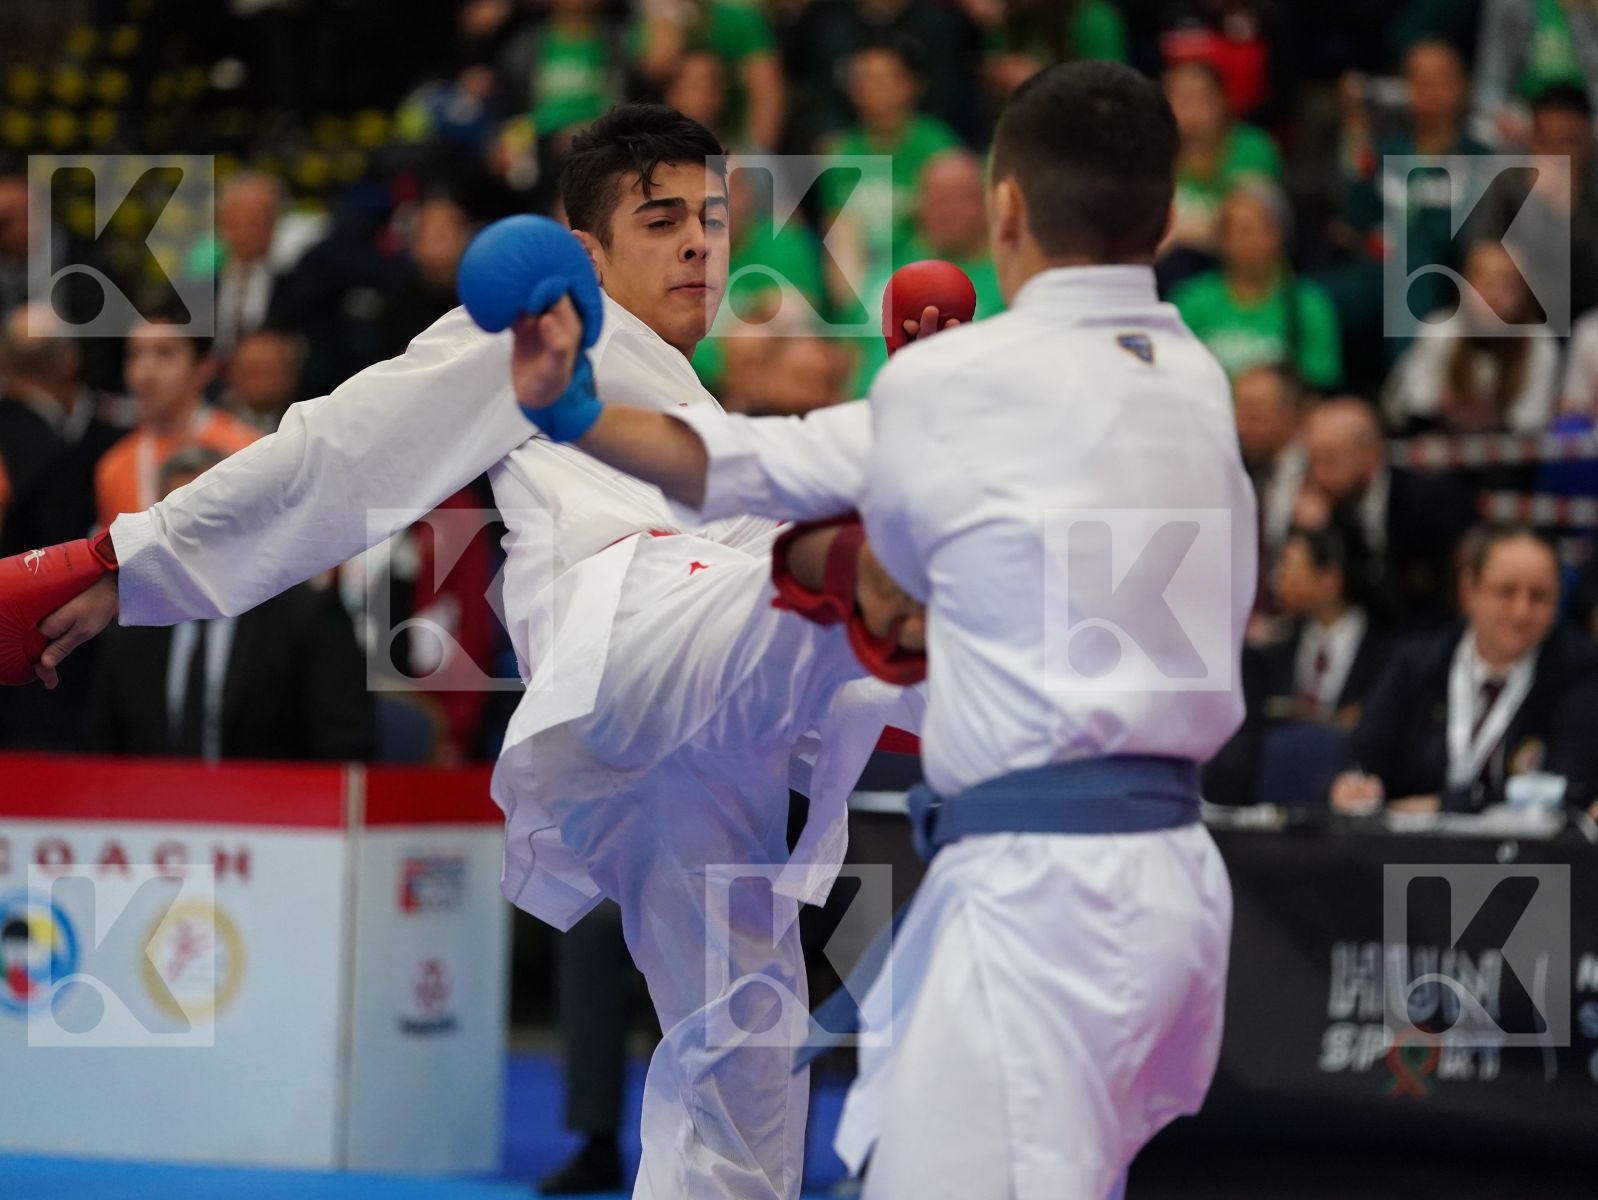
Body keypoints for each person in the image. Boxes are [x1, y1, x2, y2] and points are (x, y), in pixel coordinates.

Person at [21, 104, 919, 1200]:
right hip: (636, 644)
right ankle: (862, 569)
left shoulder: (686, 395)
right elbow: (336, 455)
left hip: (717, 750)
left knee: (741, 1046)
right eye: (661, 218)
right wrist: (119, 559)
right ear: (584, 251)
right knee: (802, 585)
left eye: (713, 217)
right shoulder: (544, 331)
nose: (698, 242)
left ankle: (915, 610)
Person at [505, 61, 1254, 1199]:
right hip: (1179, 889)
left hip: (1035, 885)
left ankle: (833, 580)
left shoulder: (973, 381)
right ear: (1164, 214)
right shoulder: (1200, 381)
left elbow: (740, 467)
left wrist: (568, 411)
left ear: (1004, 209)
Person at [86, 446, 372, 762]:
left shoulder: (308, 619)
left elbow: (344, 754)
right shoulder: (131, 627)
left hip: (271, 806)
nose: (192, 536)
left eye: (206, 518)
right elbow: (100, 760)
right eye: (176, 522)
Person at [1331, 526, 1598, 814]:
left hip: (1524, 855)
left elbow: (1567, 787)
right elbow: (1361, 756)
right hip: (1408, 852)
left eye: (1539, 597)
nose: (1522, 612)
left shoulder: (1580, 670)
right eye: (1506, 592)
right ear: (1469, 590)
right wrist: (1351, 785)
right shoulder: (1416, 663)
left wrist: (1447, 807)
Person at [1295, 395, 1477, 627]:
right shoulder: (1326, 512)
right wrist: (1318, 538)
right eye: (1313, 462)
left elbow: (1450, 592)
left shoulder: (1431, 500)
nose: (1319, 475)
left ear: (1371, 455)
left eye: (1331, 460)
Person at [92, 308, 261, 530]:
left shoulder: (245, 451)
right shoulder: (113, 467)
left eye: (165, 353)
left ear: (203, 367)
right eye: (135, 354)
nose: (145, 370)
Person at [1171, 180, 1344, 390]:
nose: (1252, 240)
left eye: (1262, 229)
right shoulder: (1191, 300)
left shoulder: (1308, 304)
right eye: (1241, 230)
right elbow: (1174, 374)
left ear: (1281, 235)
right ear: (1221, 238)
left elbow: (1319, 383)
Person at [1381, 239, 1562, 435]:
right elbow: (1418, 416)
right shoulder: (1439, 333)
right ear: (1463, 287)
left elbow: (1528, 429)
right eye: (1483, 283)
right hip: (1434, 448)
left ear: (1525, 294)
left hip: (1508, 458)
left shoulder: (1540, 345)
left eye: (1507, 285)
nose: (1493, 296)